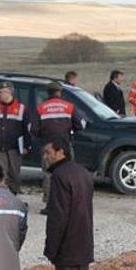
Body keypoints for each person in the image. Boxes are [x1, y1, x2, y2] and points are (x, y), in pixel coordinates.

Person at [42, 137, 94, 270]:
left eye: (48, 152)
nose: (45, 157)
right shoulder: (82, 172)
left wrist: (51, 248)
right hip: (83, 242)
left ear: (60, 151)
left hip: (68, 246)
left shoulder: (60, 176)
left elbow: (58, 217)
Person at [32, 82, 85, 214]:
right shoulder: (69, 107)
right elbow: (80, 125)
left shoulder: (41, 108)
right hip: (65, 146)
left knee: (49, 175)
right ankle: (69, 203)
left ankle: (50, 206)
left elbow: (33, 129)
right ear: (60, 92)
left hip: (48, 147)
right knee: (68, 174)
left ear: (47, 92)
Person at [0, 82, 31, 194]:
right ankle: (1, 195)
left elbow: (27, 129)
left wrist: (26, 146)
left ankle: (13, 195)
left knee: (14, 173)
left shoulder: (22, 108)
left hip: (14, 147)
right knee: (0, 173)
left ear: (9, 92)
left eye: (1, 92)